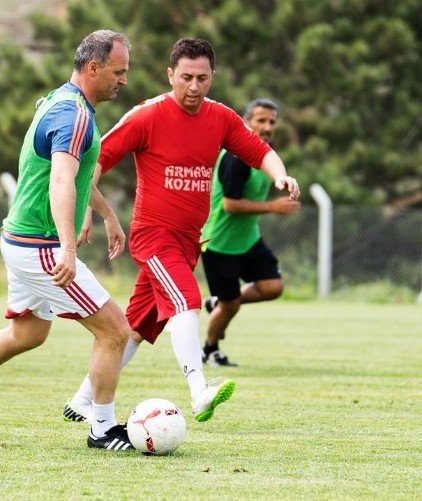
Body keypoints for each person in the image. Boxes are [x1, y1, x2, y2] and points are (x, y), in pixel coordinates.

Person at [0, 30, 135, 451]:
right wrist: (68, 247)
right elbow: (60, 180)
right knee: (114, 330)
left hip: (22, 238)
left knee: (27, 334)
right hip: (41, 246)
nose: (123, 80)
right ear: (93, 68)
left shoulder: (61, 100)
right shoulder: (74, 115)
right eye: (118, 71)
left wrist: (107, 215)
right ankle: (103, 429)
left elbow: (78, 174)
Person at [63, 38, 300, 424]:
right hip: (153, 236)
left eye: (202, 78)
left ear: (212, 77)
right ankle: (198, 389)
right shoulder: (146, 116)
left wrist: (281, 175)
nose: (193, 86)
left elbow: (259, 151)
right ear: (170, 74)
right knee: (187, 300)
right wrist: (91, 212)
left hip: (189, 241)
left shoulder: (221, 118)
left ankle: (82, 399)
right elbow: (95, 161)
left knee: (134, 328)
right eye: (186, 77)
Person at [200, 99, 300, 367]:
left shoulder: (263, 153)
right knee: (231, 306)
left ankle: (218, 301)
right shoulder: (236, 157)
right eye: (261, 121)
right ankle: (210, 350)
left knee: (273, 287)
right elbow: (229, 205)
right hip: (219, 243)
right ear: (246, 122)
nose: (267, 126)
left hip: (247, 239)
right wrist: (273, 207)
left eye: (272, 122)